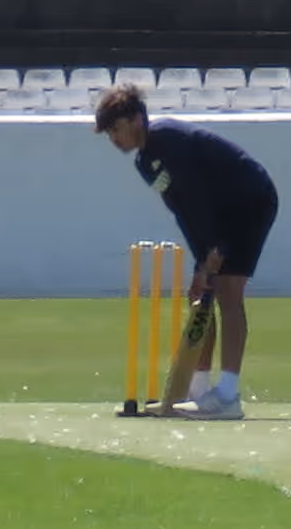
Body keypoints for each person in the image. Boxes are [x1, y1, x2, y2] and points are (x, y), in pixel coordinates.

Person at [92, 84, 277, 418]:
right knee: (202, 292)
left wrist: (217, 248)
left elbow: (201, 198)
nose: (114, 139)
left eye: (116, 130)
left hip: (250, 200)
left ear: (136, 119)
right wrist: (200, 262)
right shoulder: (145, 161)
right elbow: (181, 209)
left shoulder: (168, 140)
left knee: (228, 291)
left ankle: (228, 396)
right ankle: (199, 391)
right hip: (220, 213)